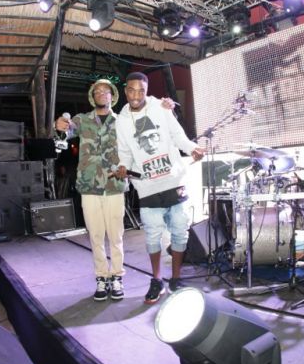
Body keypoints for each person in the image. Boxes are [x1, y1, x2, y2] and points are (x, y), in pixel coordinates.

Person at [114, 72, 205, 304]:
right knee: (153, 236)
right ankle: (156, 280)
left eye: (141, 91)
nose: (136, 95)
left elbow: (178, 136)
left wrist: (192, 148)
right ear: (125, 91)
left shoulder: (161, 109)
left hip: (174, 182)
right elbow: (124, 152)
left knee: (180, 232)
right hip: (147, 187)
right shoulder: (122, 121)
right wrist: (123, 166)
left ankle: (175, 278)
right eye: (131, 90)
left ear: (147, 91)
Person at [54, 79, 129, 301]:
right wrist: (60, 127)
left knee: (116, 236)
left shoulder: (123, 121)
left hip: (114, 185)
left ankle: (117, 276)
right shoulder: (82, 120)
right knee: (95, 236)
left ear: (112, 96)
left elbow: (135, 146)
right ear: (92, 97)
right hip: (89, 186)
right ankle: (101, 277)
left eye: (106, 91)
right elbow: (65, 133)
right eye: (97, 91)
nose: (101, 93)